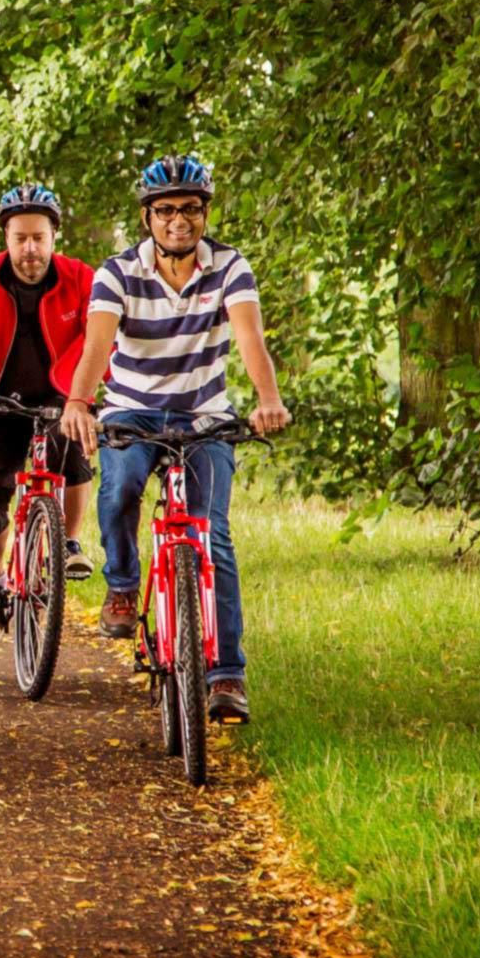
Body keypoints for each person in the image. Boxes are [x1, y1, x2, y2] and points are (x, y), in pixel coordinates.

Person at [60, 155, 291, 725]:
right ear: (148, 218)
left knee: (213, 536)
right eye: (165, 210)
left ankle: (226, 675)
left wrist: (267, 399)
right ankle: (120, 585)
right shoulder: (117, 272)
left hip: (205, 414)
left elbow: (249, 337)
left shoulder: (230, 267)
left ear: (205, 213)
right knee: (120, 490)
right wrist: (78, 402)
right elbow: (96, 347)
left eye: (190, 209)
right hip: (133, 410)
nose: (178, 221)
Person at [0, 184, 96, 642]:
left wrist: (75, 393)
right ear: (6, 239)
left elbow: (97, 338)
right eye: (20, 239)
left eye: (38, 238)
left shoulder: (80, 278)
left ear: (54, 237)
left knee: (73, 455)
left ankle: (67, 540)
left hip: (61, 398)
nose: (30, 249)